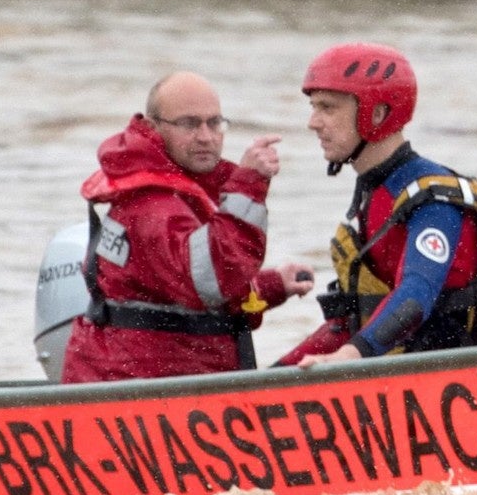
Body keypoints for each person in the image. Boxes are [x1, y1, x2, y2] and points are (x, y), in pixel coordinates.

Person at [62, 71, 308, 383]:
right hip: (145, 392)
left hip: (146, 379)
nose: (206, 136)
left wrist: (270, 286)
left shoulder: (174, 190)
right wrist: (248, 186)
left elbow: (181, 291)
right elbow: (214, 280)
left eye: (214, 123)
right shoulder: (153, 206)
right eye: (190, 124)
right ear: (153, 128)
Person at [279, 43, 477, 365]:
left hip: (465, 383)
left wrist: (349, 355)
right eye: (314, 107)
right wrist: (273, 374)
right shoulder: (374, 193)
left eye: (327, 108)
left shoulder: (436, 200)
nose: (313, 122)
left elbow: (416, 297)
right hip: (403, 377)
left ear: (377, 113)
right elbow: (351, 322)